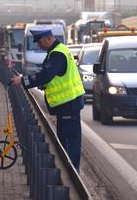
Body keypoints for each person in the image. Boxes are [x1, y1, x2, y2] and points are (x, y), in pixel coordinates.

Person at [10, 25, 85, 172]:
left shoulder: (57, 54)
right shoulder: (57, 51)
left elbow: (45, 75)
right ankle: (70, 170)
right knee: (66, 140)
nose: (38, 44)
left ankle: (71, 173)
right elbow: (53, 77)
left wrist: (23, 81)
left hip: (68, 104)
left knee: (68, 142)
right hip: (67, 104)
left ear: (49, 38)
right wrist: (44, 84)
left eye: (39, 41)